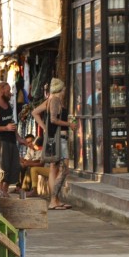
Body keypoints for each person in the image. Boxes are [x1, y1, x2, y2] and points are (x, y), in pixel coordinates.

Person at [31, 77, 77, 210]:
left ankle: (55, 200)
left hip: (53, 138)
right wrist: (69, 124)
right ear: (60, 89)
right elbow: (53, 119)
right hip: (59, 139)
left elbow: (35, 112)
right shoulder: (55, 100)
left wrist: (44, 128)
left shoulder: (49, 100)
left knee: (54, 169)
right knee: (64, 169)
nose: (64, 92)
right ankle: (53, 200)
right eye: (63, 89)